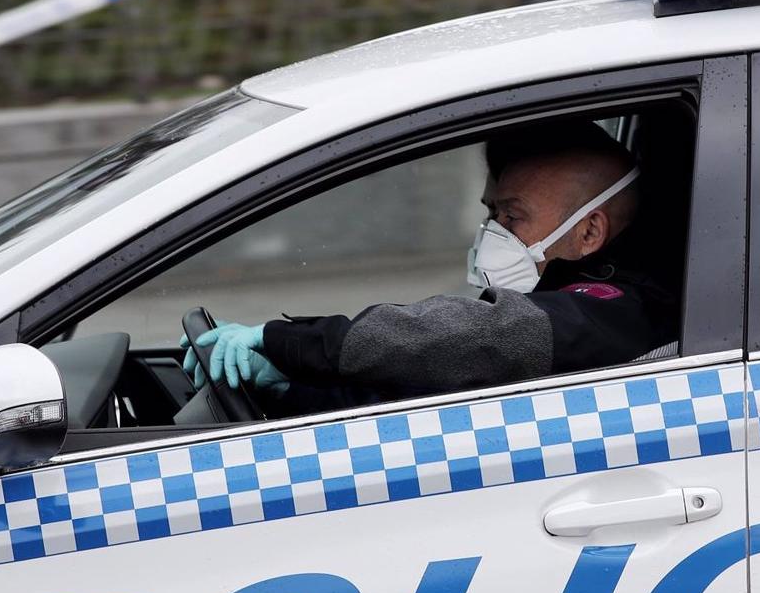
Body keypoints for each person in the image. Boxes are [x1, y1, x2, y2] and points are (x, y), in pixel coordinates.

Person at [182, 122, 679, 414]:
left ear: (589, 232)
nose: (493, 232)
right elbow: (430, 382)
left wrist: (285, 340)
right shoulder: (572, 292)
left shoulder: (622, 309)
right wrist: (292, 387)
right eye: (490, 213)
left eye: (512, 216)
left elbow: (468, 337)